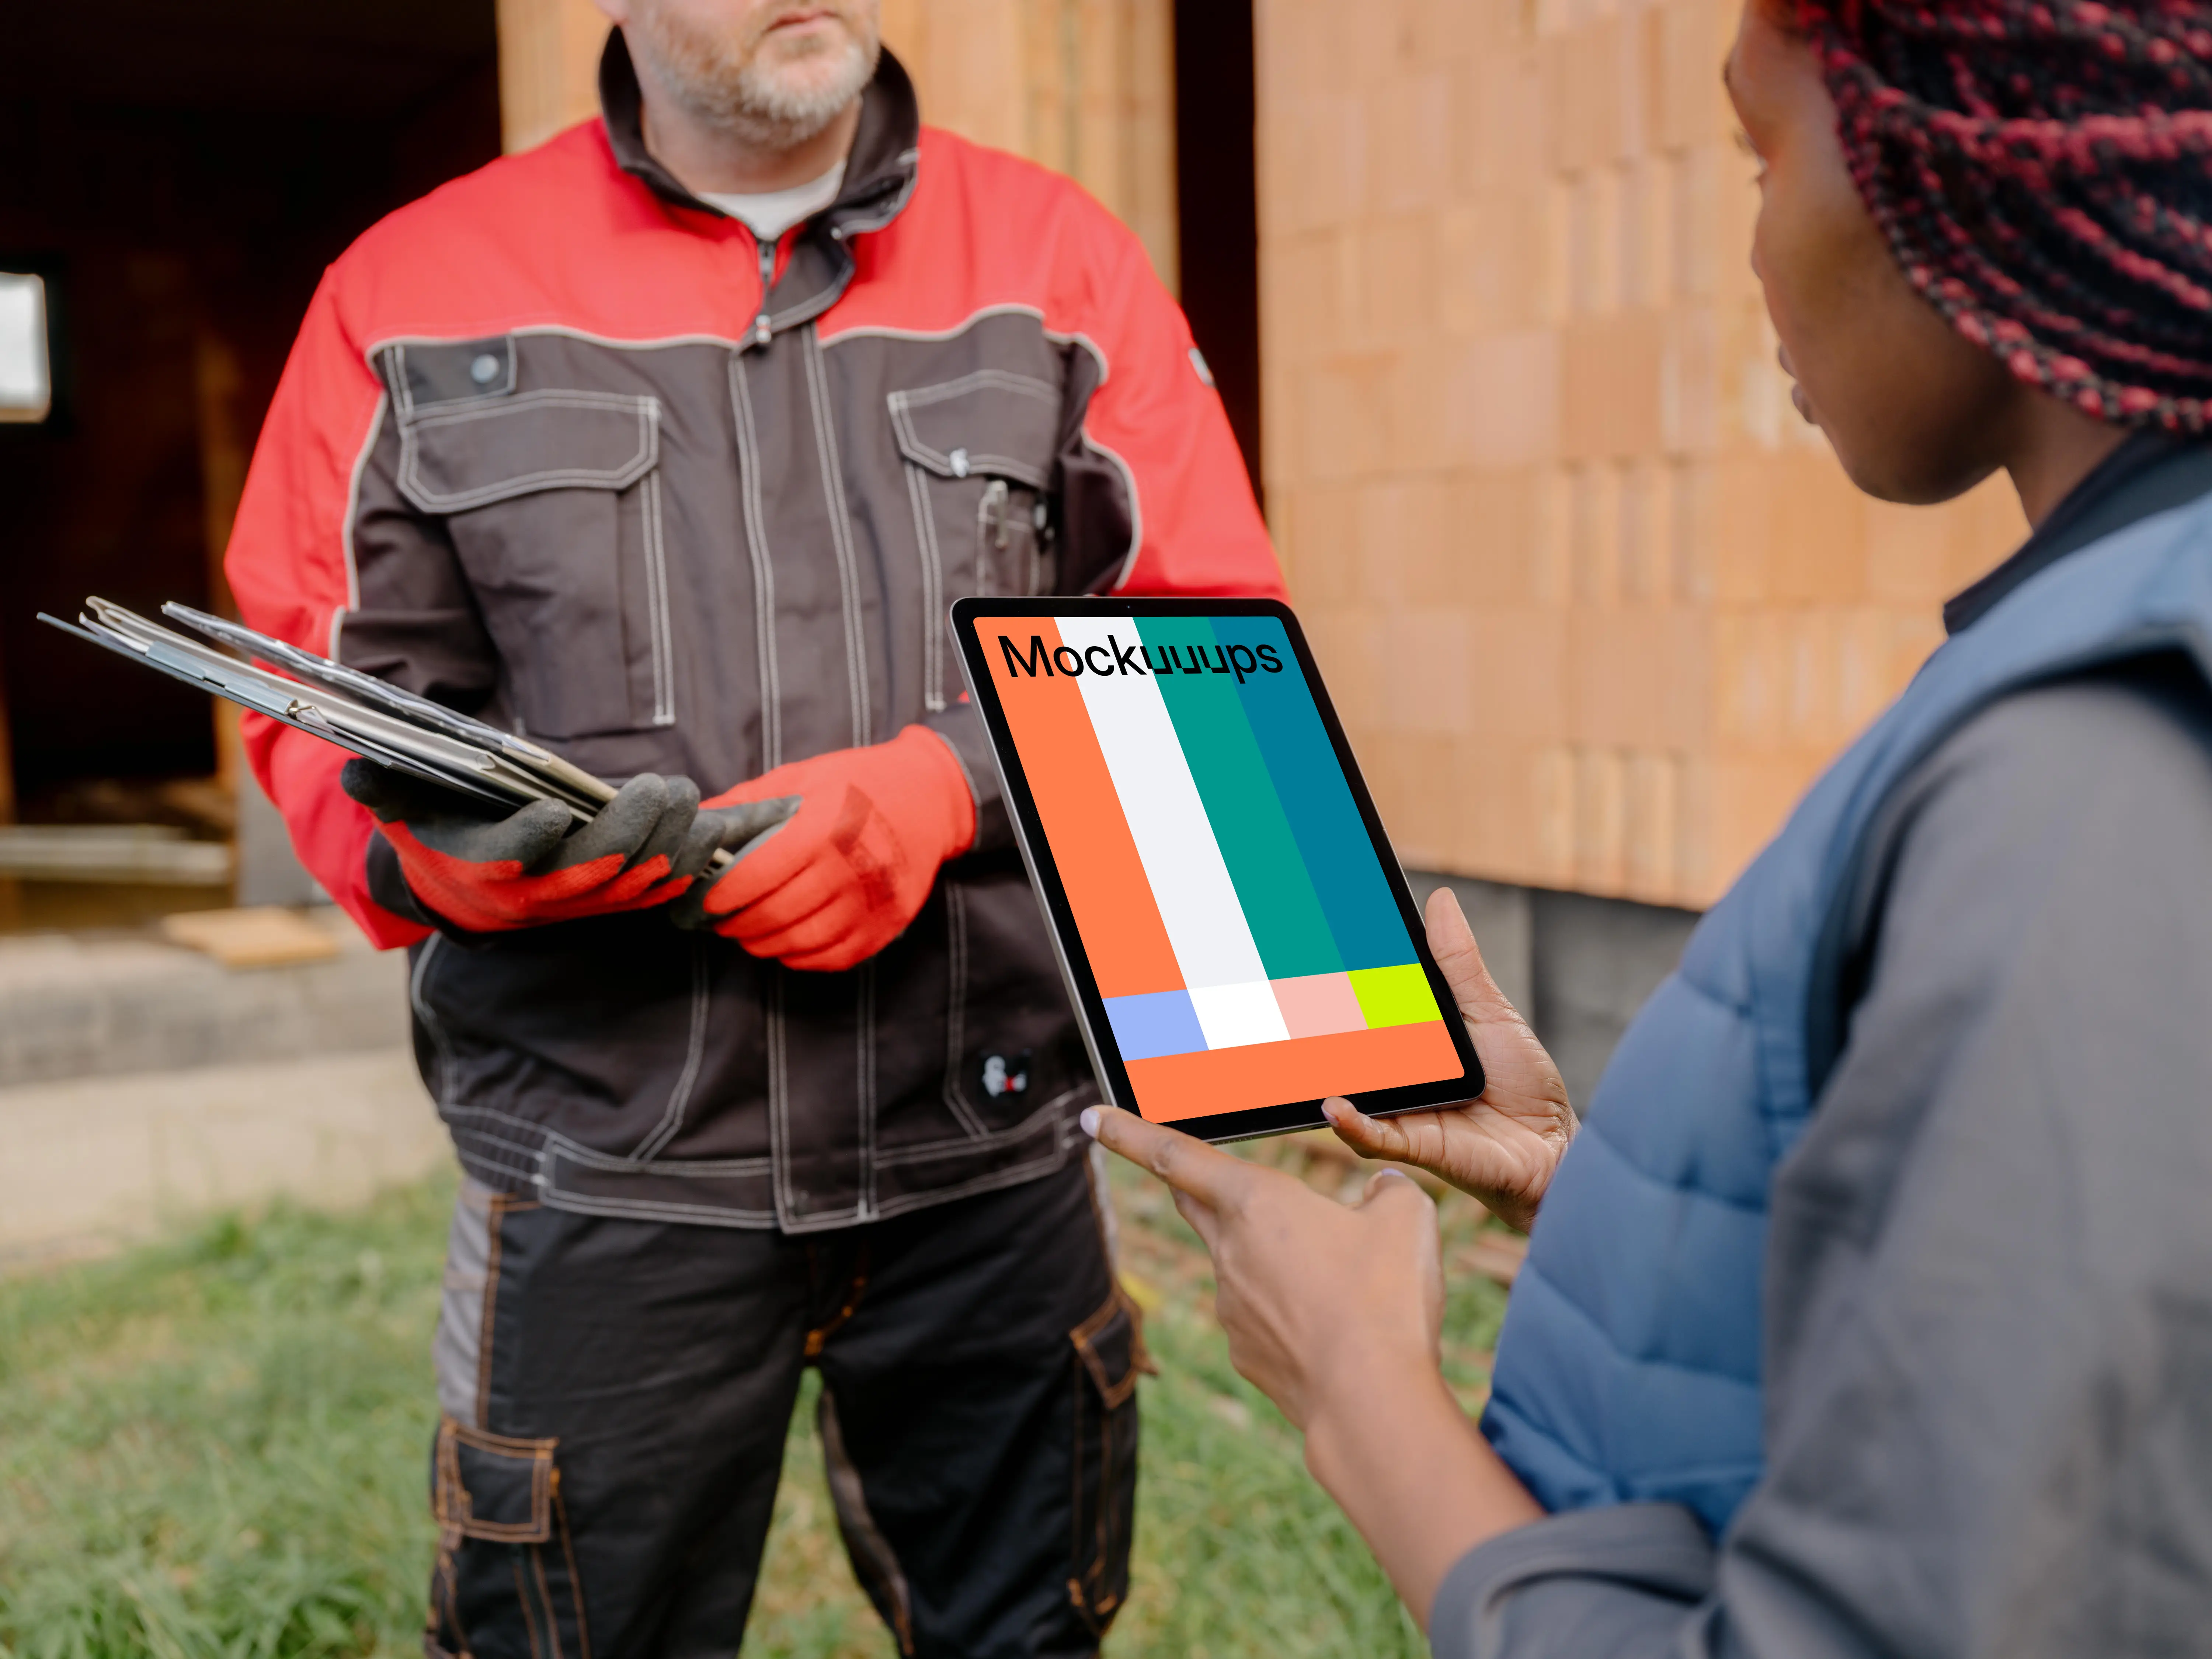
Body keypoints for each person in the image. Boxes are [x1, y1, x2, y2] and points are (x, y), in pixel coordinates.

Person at [1089, 1, 2212, 1652]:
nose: (1753, 250)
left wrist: (1360, 1391)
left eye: (1761, 155)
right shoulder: (2089, 643)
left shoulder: (2100, 753)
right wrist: (1590, 1179)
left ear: (1968, 153)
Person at [223, 0, 1282, 1651]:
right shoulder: (406, 291)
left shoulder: (1061, 262)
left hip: (987, 1147)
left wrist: (941, 789)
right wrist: (447, 863)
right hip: (603, 1164)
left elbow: (1215, 667)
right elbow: (307, 697)